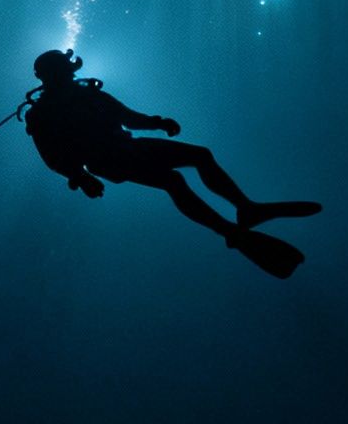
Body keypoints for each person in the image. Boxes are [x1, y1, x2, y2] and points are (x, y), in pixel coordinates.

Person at [21, 49, 319, 275]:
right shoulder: (43, 113)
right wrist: (80, 177)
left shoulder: (85, 96)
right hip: (108, 160)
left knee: (199, 156)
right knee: (173, 180)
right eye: (63, 70)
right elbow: (52, 156)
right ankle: (231, 228)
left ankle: (245, 210)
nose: (69, 75)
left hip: (127, 147)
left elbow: (126, 117)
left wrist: (157, 122)